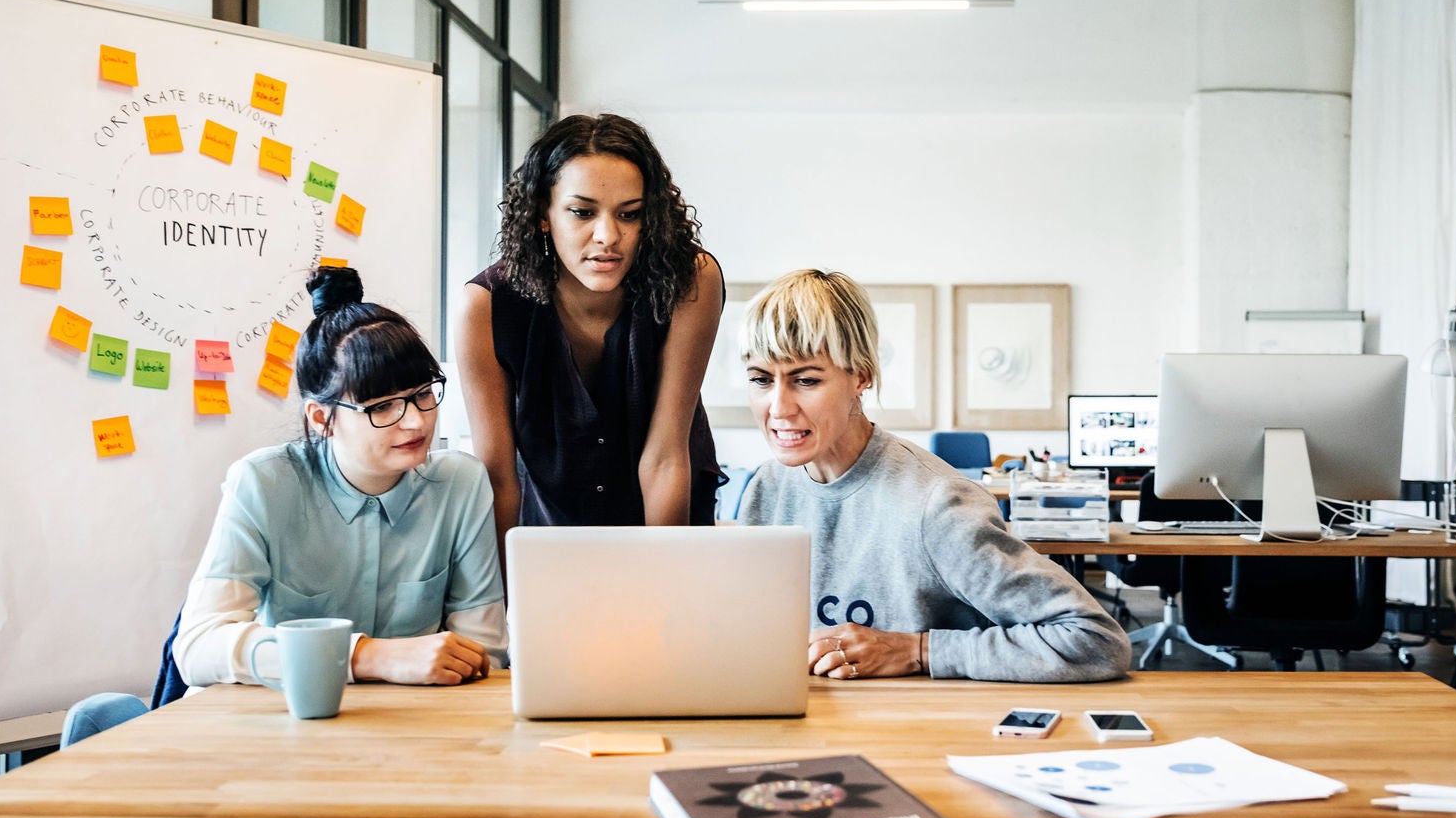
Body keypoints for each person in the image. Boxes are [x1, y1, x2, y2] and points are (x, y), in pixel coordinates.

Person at [737, 270, 1132, 683]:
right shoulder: (766, 488)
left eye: (805, 380)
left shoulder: (937, 503)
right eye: (761, 380)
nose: (778, 408)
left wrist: (917, 649)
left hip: (919, 730)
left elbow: (1096, 641)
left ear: (861, 376)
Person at [172, 264, 505, 689]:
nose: (416, 422)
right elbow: (199, 646)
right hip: (291, 723)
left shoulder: (461, 484)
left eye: (422, 394)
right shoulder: (264, 483)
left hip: (415, 729)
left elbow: (486, 652)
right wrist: (367, 655)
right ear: (322, 418)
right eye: (381, 406)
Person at [455, 113, 724, 546]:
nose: (607, 235)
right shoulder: (485, 306)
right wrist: (506, 607)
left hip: (669, 526)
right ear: (543, 213)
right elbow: (498, 479)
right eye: (582, 212)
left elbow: (665, 456)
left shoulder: (691, 279)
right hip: (547, 536)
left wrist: (666, 591)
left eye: (629, 214)